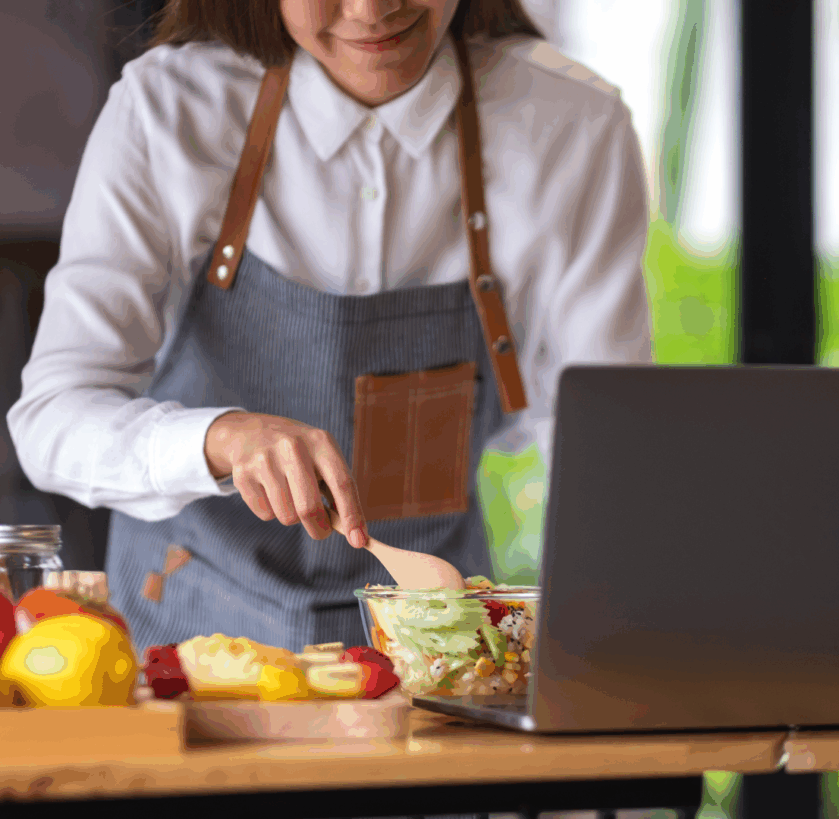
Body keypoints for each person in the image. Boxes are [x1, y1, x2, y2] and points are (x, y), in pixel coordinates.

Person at [7, 0, 652, 655]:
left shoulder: (574, 126)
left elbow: (609, 456)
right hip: (186, 650)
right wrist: (221, 437)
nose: (372, 10)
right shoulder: (168, 110)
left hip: (435, 657)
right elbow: (52, 419)